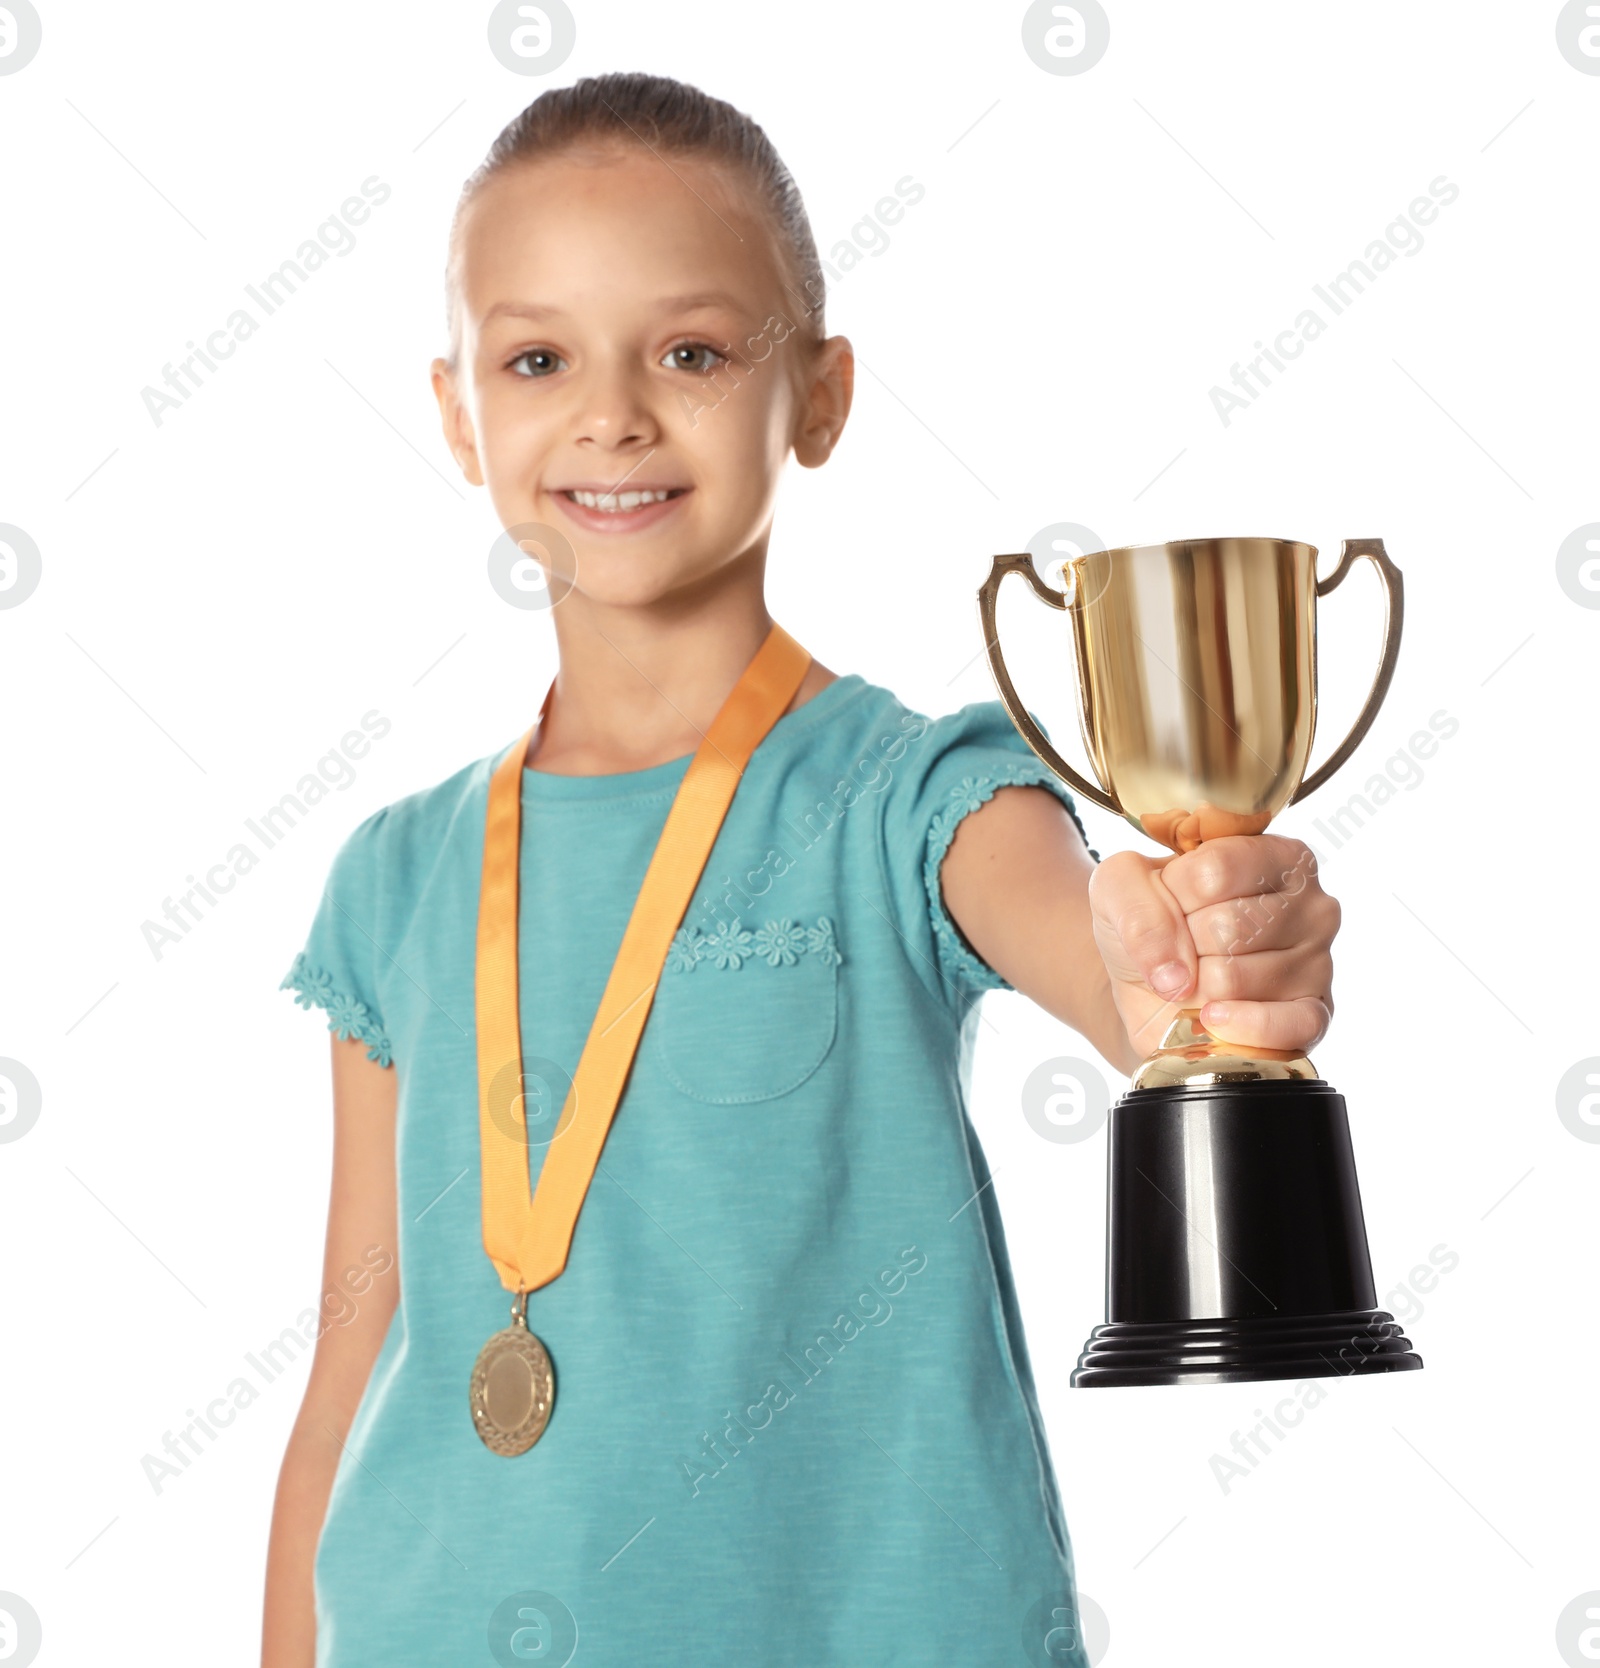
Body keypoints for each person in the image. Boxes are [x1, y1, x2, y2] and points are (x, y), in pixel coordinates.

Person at [261, 71, 1340, 1668]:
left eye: (692, 352)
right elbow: (356, 1346)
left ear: (819, 397)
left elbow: (1118, 976)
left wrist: (1197, 956)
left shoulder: (914, 794)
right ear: (454, 408)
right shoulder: (396, 875)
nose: (614, 413)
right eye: (538, 357)